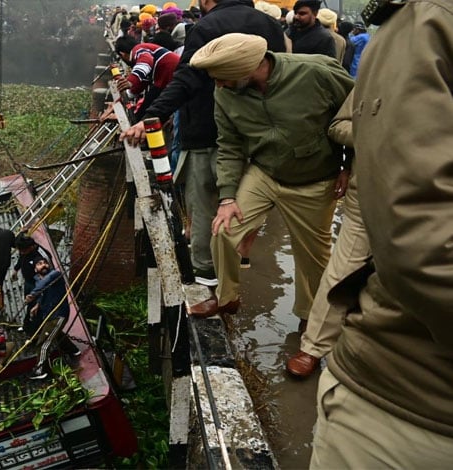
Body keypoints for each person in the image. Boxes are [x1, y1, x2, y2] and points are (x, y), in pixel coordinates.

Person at [310, 1, 453, 467]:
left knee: (327, 255)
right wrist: (373, 135)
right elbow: (419, 242)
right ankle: (313, 346)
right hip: (412, 393)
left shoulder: (335, 54)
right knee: (346, 260)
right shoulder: (422, 27)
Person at [121, 0, 287, 290]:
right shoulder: (270, 26)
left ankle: (206, 282)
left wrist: (150, 118)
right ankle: (239, 266)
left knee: (202, 208)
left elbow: (187, 78)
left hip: (205, 130)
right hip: (254, 134)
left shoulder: (206, 27)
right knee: (244, 207)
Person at [187, 33, 353, 323]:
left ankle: (310, 324)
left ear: (247, 68)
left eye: (223, 77)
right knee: (223, 230)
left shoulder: (317, 72)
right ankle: (227, 299)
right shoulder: (226, 93)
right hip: (264, 173)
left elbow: (358, 117)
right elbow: (229, 144)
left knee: (313, 260)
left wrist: (349, 165)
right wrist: (227, 197)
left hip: (315, 180)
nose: (219, 85)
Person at [285, 90, 369, 378]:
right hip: (371, 191)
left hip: (436, 200)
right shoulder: (378, 70)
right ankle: (313, 347)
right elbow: (338, 126)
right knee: (344, 267)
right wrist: (381, 131)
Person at [25, 257, 80, 380]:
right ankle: (73, 350)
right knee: (56, 333)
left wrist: (33, 295)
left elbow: (46, 283)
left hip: (58, 314)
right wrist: (37, 305)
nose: (44, 265)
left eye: (45, 263)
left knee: (43, 343)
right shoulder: (38, 280)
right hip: (49, 314)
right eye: (39, 264)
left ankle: (41, 370)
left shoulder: (55, 275)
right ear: (35, 269)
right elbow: (43, 292)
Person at [113, 36, 180, 120]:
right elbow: (139, 85)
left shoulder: (138, 50)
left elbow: (146, 62)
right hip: (166, 80)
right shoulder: (141, 53)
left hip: (172, 77)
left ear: (122, 54)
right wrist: (120, 101)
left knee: (146, 111)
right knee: (146, 108)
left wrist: (131, 80)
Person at [12, 233, 52, 333]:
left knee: (36, 309)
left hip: (38, 285)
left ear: (31, 247)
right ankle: (26, 326)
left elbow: (48, 277)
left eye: (23, 251)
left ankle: (34, 332)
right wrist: (16, 269)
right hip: (28, 283)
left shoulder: (42, 257)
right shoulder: (23, 250)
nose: (21, 252)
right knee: (29, 304)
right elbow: (21, 258)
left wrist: (39, 299)